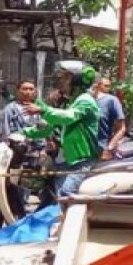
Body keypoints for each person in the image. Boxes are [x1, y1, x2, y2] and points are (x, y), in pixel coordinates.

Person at [25, 60, 101, 199]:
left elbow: (68, 117)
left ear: (78, 79)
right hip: (68, 159)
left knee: (66, 195)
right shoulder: (72, 101)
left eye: (66, 77)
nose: (61, 80)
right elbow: (53, 125)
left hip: (83, 160)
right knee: (50, 193)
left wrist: (42, 110)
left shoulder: (85, 101)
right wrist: (24, 133)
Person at [94, 76, 126, 160]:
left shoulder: (111, 100)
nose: (108, 88)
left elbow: (122, 128)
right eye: (105, 85)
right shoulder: (87, 100)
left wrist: (110, 147)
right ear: (97, 85)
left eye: (109, 86)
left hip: (102, 150)